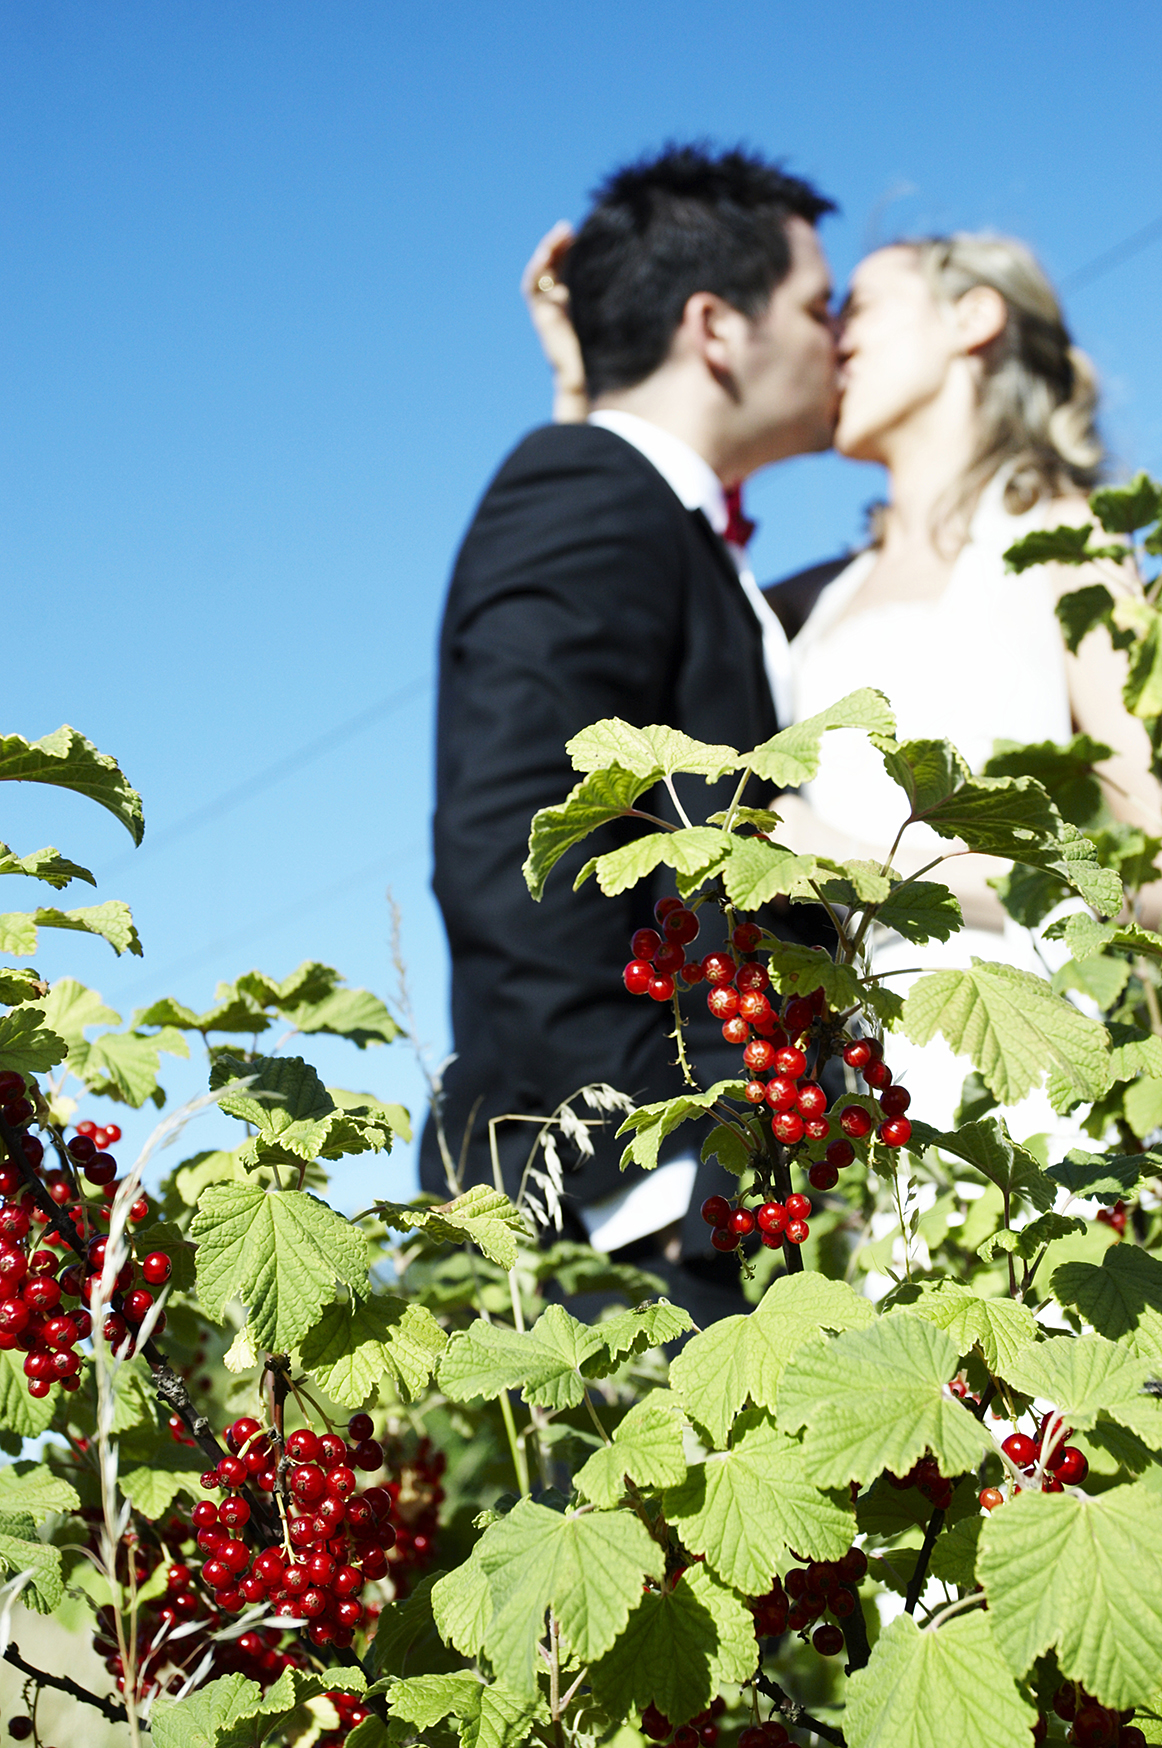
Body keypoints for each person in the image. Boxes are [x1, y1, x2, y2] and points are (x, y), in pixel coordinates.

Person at [526, 226, 1161, 1137]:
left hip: (1025, 1064)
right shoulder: (817, 597)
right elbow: (632, 599)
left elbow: (1150, 869)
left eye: (854, 307)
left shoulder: (1071, 545)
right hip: (843, 1083)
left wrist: (853, 868)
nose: (831, 336)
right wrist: (592, 383)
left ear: (973, 317)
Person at [421, 146, 839, 1320]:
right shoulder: (588, 489)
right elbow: (516, 831)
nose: (838, 339)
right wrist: (643, 1158)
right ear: (717, 326)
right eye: (818, 307)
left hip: (721, 1198)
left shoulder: (651, 512)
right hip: (627, 1226)